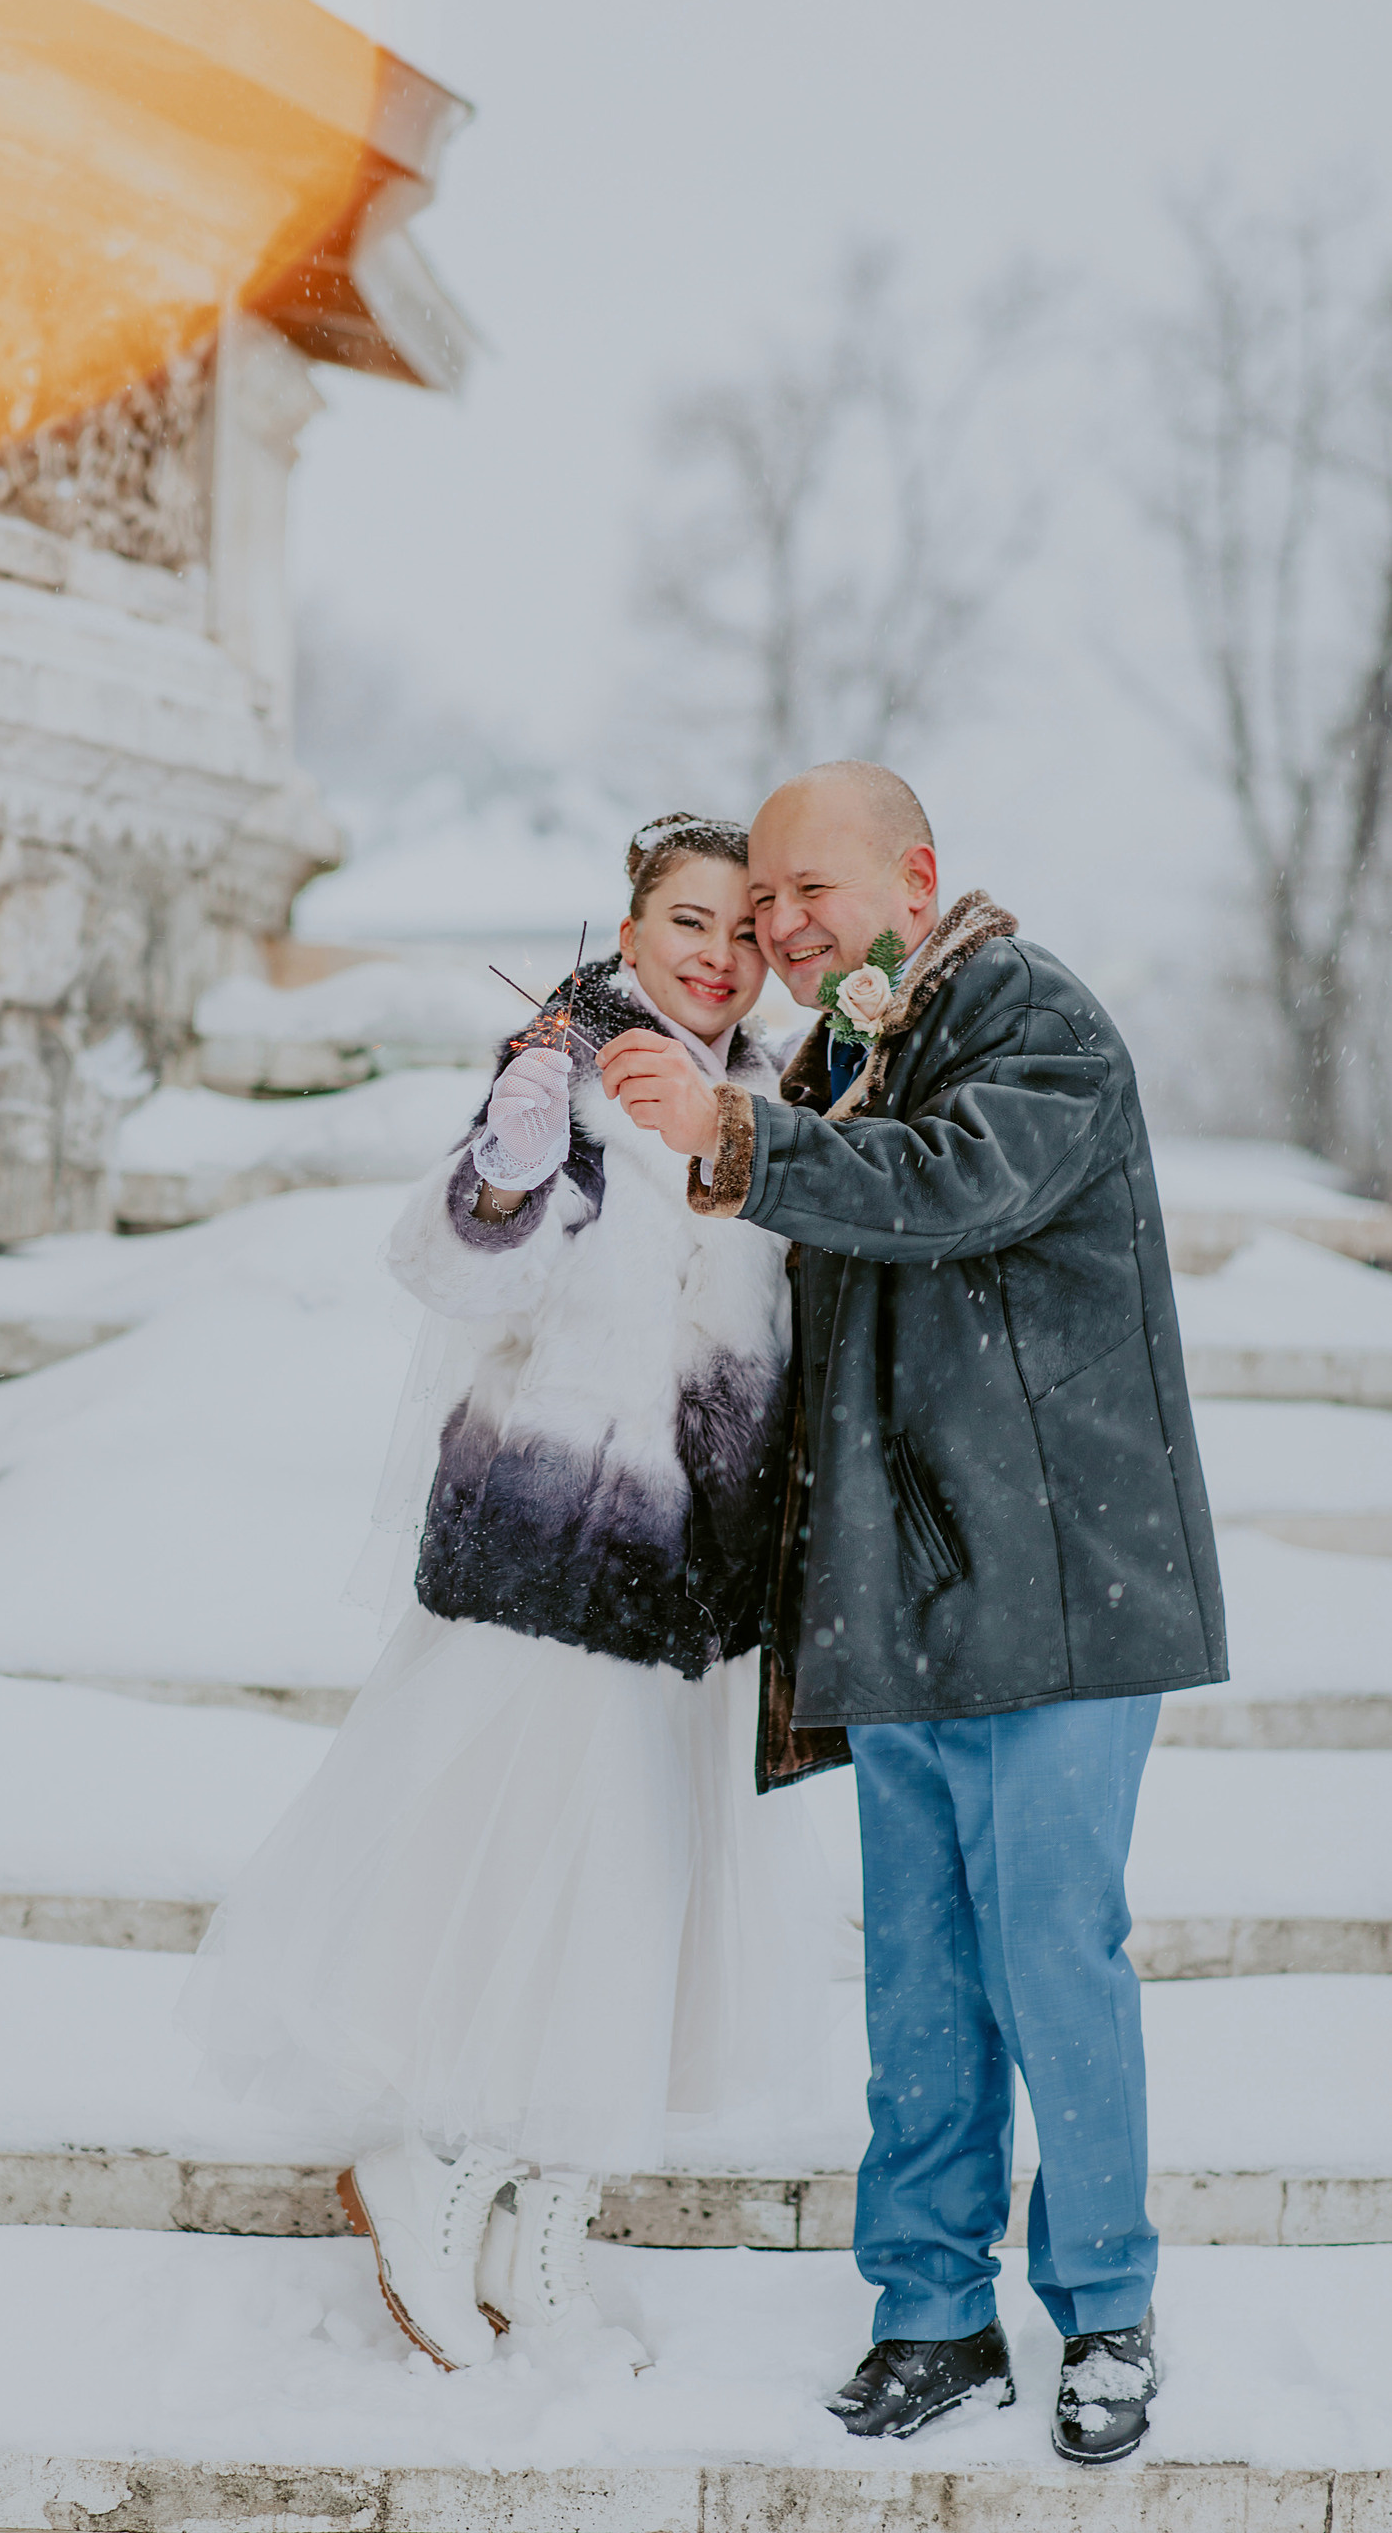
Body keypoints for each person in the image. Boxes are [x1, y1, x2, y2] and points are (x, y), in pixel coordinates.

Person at [599, 760, 1227, 2466]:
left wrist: (733, 1137)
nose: (787, 929)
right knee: (924, 1979)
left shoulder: (1033, 1016)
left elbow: (950, 1184)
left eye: (815, 892)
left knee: (1049, 1954)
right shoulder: (841, 1051)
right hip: (901, 1589)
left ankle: (1105, 2309)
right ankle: (930, 2311)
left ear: (917, 875)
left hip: (1058, 1583)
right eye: (767, 902)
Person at [177, 815, 840, 2375]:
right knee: (547, 1888)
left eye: (742, 931)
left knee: (643, 1914)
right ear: (630, 926)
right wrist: (517, 1160)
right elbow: (460, 1266)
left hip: (697, 1595)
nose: (715, 953)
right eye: (686, 920)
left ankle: (548, 2236)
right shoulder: (571, 1066)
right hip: (552, 1555)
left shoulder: (763, 1105)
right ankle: (440, 2170)